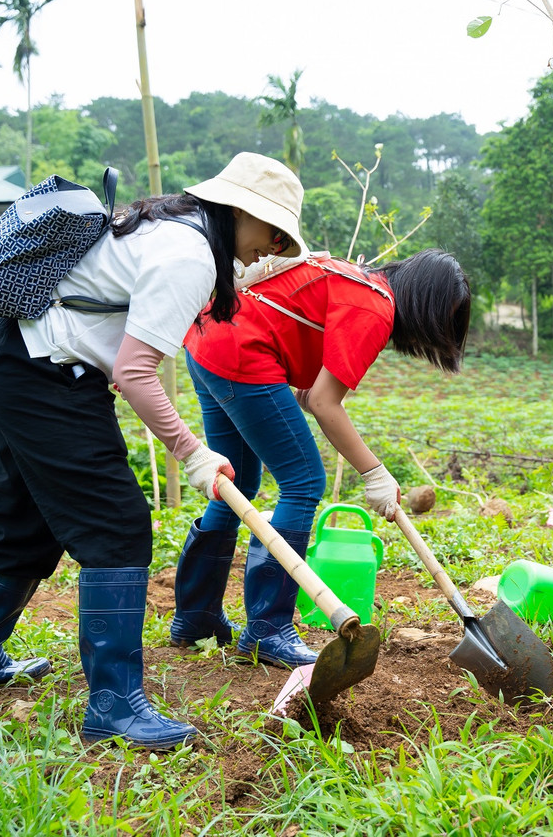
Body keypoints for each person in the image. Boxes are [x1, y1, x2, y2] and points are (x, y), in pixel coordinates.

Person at [0, 152, 306, 751]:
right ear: (241, 212)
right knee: (118, 524)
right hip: (43, 374)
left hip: (15, 359)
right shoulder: (190, 254)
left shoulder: (170, 226)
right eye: (274, 233)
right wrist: (193, 453)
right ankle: (114, 706)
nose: (271, 248)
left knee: (28, 523)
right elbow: (135, 373)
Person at [173, 248, 471, 667]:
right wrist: (374, 473)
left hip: (207, 341)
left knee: (233, 483)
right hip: (241, 356)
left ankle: (196, 619)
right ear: (427, 303)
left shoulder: (360, 282)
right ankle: (268, 630)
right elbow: (325, 403)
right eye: (443, 317)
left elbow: (312, 390)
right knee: (304, 481)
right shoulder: (376, 308)